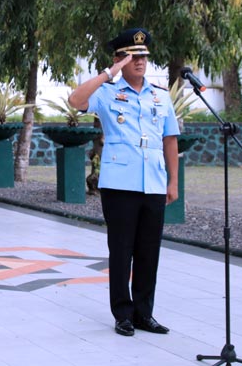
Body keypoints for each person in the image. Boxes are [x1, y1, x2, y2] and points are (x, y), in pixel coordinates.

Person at [68, 27, 179, 337]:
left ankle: (145, 313)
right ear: (119, 59)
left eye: (144, 56)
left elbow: (170, 139)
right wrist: (108, 73)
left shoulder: (160, 96)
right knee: (121, 252)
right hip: (119, 185)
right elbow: (75, 100)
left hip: (154, 183)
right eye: (133, 56)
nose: (141, 62)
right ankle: (123, 314)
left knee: (148, 251)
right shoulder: (106, 93)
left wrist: (174, 182)